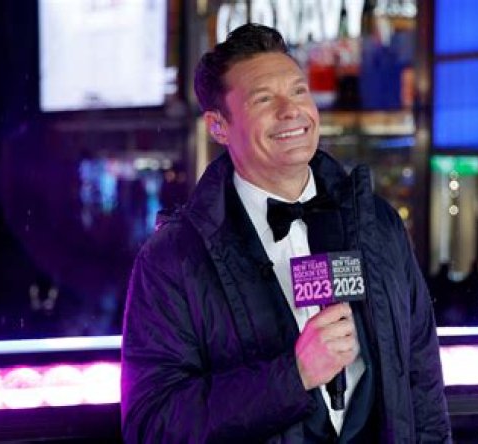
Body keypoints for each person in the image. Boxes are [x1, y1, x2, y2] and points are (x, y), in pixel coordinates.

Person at [121, 23, 451, 443]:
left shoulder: (377, 223)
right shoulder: (173, 258)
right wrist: (293, 377)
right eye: (264, 99)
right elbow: (152, 425)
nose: (291, 110)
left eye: (298, 91)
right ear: (219, 126)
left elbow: (423, 381)